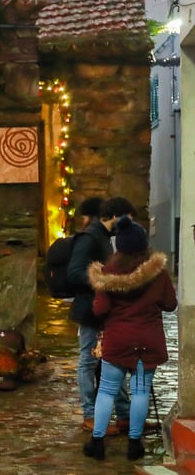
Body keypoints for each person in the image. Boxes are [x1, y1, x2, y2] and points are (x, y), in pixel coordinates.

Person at [83, 217, 177, 460]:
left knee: (106, 391)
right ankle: (135, 444)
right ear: (144, 246)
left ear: (120, 247)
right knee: (141, 391)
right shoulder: (158, 273)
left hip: (118, 341)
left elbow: (100, 310)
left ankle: (97, 442)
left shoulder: (108, 274)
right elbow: (170, 304)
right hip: (147, 340)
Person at [66, 196, 130, 434]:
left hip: (104, 309)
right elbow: (74, 274)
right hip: (90, 309)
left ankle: (124, 414)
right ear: (114, 217)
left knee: (114, 359)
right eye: (125, 219)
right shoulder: (89, 238)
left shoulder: (105, 237)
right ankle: (90, 415)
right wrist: (105, 282)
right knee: (88, 361)